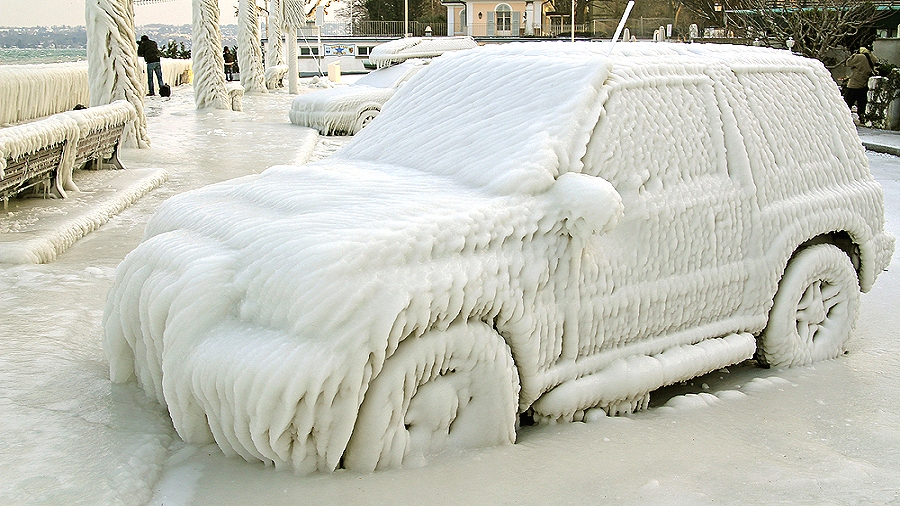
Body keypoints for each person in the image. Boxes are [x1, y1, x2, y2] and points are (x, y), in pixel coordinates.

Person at [844, 47, 876, 123]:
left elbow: (848, 63)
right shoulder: (871, 57)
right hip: (864, 83)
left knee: (847, 102)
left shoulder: (859, 57)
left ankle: (844, 118)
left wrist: (854, 55)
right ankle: (862, 117)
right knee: (862, 103)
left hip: (854, 83)